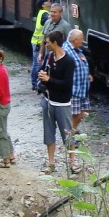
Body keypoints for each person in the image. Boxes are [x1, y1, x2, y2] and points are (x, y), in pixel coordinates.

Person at [37, 30, 74, 175]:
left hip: (62, 103)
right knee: (48, 133)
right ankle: (51, 163)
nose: (45, 45)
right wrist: (41, 75)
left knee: (68, 135)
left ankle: (72, 163)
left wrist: (49, 80)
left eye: (47, 42)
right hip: (48, 101)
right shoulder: (49, 57)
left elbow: (67, 84)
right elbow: (42, 70)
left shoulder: (68, 61)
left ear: (55, 43)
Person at [65, 28, 90, 138]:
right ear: (75, 40)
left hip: (83, 88)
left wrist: (87, 74)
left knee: (83, 111)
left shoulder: (77, 50)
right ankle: (71, 133)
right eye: (81, 38)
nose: (83, 40)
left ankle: (73, 130)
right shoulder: (66, 51)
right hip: (74, 89)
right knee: (75, 113)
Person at [37, 2, 71, 75]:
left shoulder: (66, 26)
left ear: (60, 13)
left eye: (55, 12)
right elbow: (43, 39)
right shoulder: (47, 22)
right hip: (48, 56)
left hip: (58, 58)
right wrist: (41, 53)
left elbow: (69, 44)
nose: (52, 14)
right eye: (51, 11)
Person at [29, 0, 51, 91]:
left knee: (37, 63)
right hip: (38, 43)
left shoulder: (42, 12)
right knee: (37, 64)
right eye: (47, 1)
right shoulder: (45, 14)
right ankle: (35, 83)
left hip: (37, 42)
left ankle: (35, 82)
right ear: (43, 5)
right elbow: (51, 18)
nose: (49, 1)